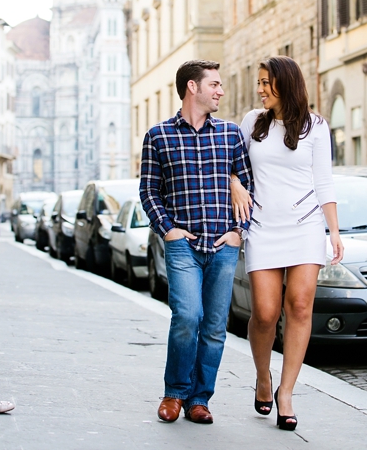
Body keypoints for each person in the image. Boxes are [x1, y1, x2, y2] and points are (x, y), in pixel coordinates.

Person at [229, 56, 341, 432]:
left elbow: (323, 181)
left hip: (306, 225)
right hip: (262, 225)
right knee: (264, 312)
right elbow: (231, 163)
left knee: (300, 305)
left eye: (265, 83)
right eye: (259, 83)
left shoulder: (316, 126)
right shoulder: (251, 123)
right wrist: (234, 184)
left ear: (285, 84)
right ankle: (264, 376)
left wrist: (334, 232)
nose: (259, 89)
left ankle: (287, 392)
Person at [140, 60, 253, 425]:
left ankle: (199, 399)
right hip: (182, 245)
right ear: (193, 87)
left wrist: (239, 231)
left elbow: (249, 188)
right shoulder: (158, 136)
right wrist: (167, 229)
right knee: (187, 316)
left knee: (215, 326)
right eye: (215, 84)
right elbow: (148, 191)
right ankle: (175, 392)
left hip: (223, 246)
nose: (221, 91)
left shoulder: (230, 134)